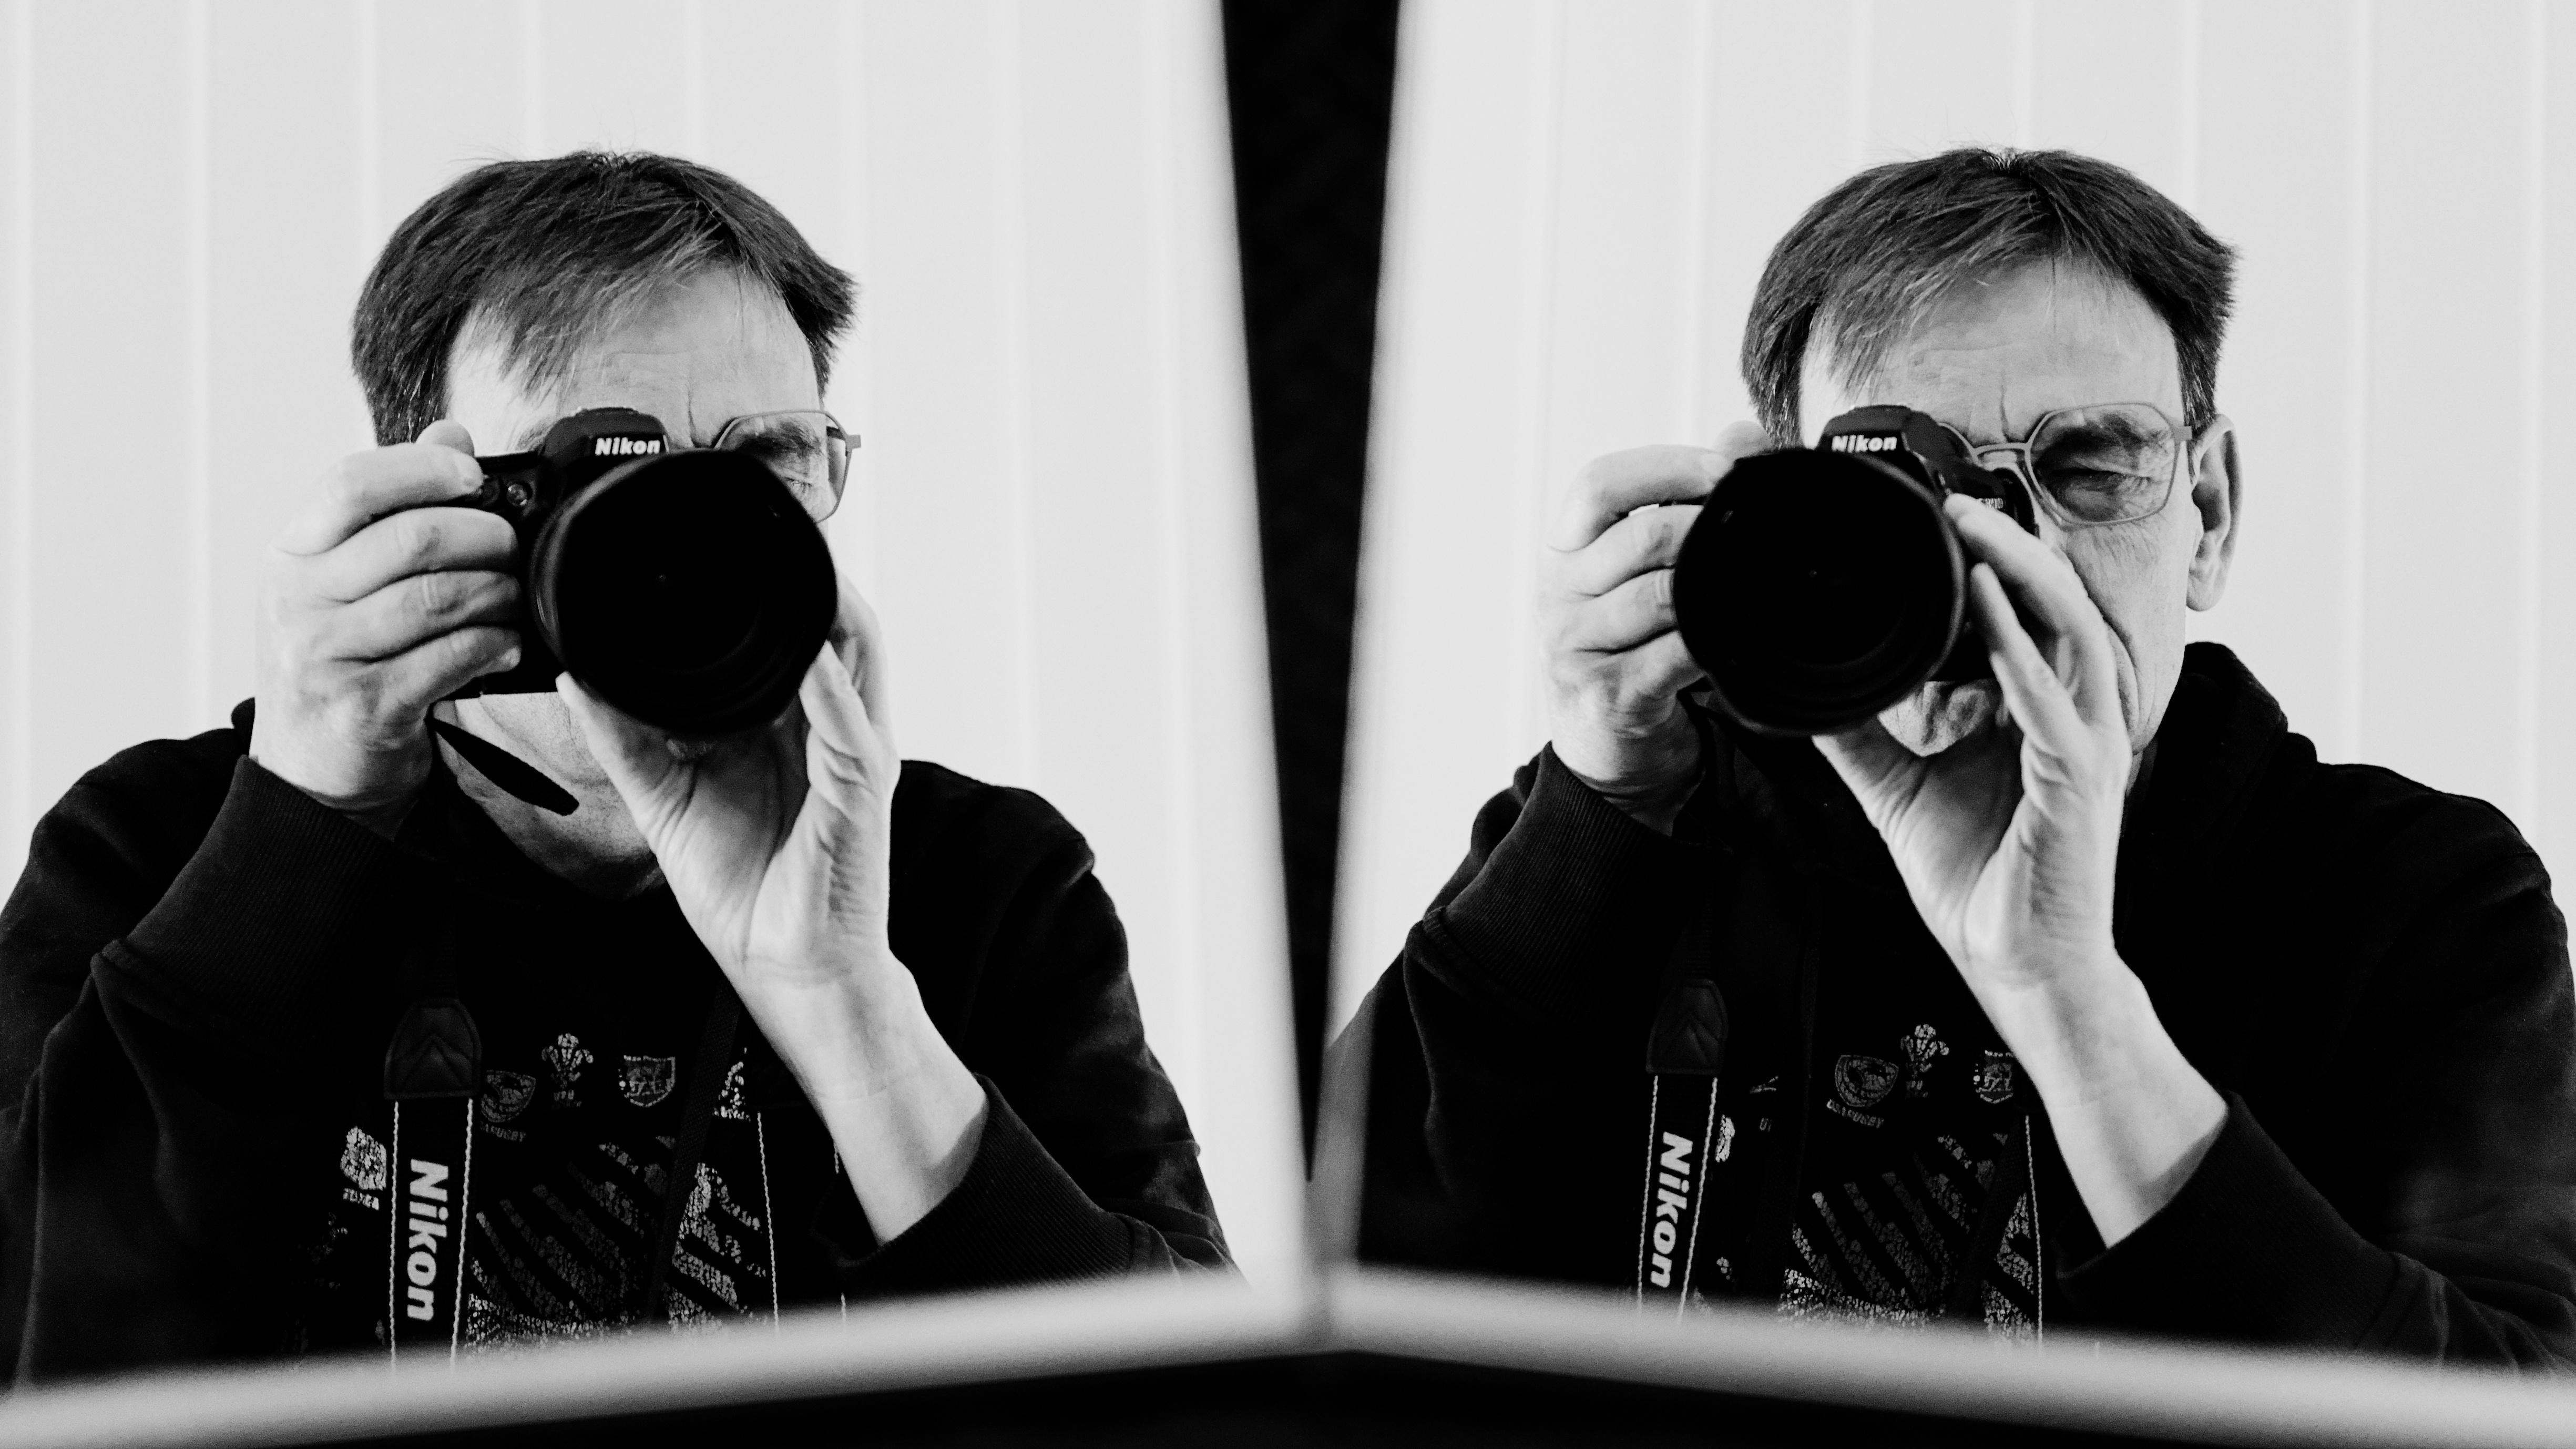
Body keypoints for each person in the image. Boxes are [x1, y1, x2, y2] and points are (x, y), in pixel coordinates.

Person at [1338, 148, 2576, 1367]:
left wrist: (2067, 996)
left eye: (2088, 467)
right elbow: (1336, 1286)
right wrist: (1594, 804)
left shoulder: (2409, 894)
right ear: (1779, 510)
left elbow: (2499, 1411)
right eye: (1916, 491)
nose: (2002, 555)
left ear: (2208, 512)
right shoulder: (1657, 816)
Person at [0, 151, 1224, 1377]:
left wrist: (843, 995)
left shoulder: (978, 884)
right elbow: (41, 1360)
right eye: (603, 473)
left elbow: (1197, 1413)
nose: (684, 539)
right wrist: (301, 824)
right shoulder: (162, 847)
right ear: (428, 502)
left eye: (763, 461)